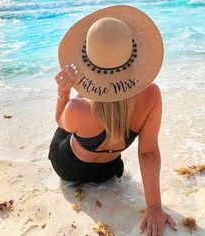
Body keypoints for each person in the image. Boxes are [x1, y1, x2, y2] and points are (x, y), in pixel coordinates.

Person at [48, 5, 178, 236]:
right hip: (108, 171)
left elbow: (60, 121)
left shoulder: (77, 109)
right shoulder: (151, 96)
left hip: (67, 168)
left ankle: (93, 89)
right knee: (91, 109)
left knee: (79, 106)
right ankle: (109, 84)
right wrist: (154, 207)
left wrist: (63, 94)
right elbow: (148, 153)